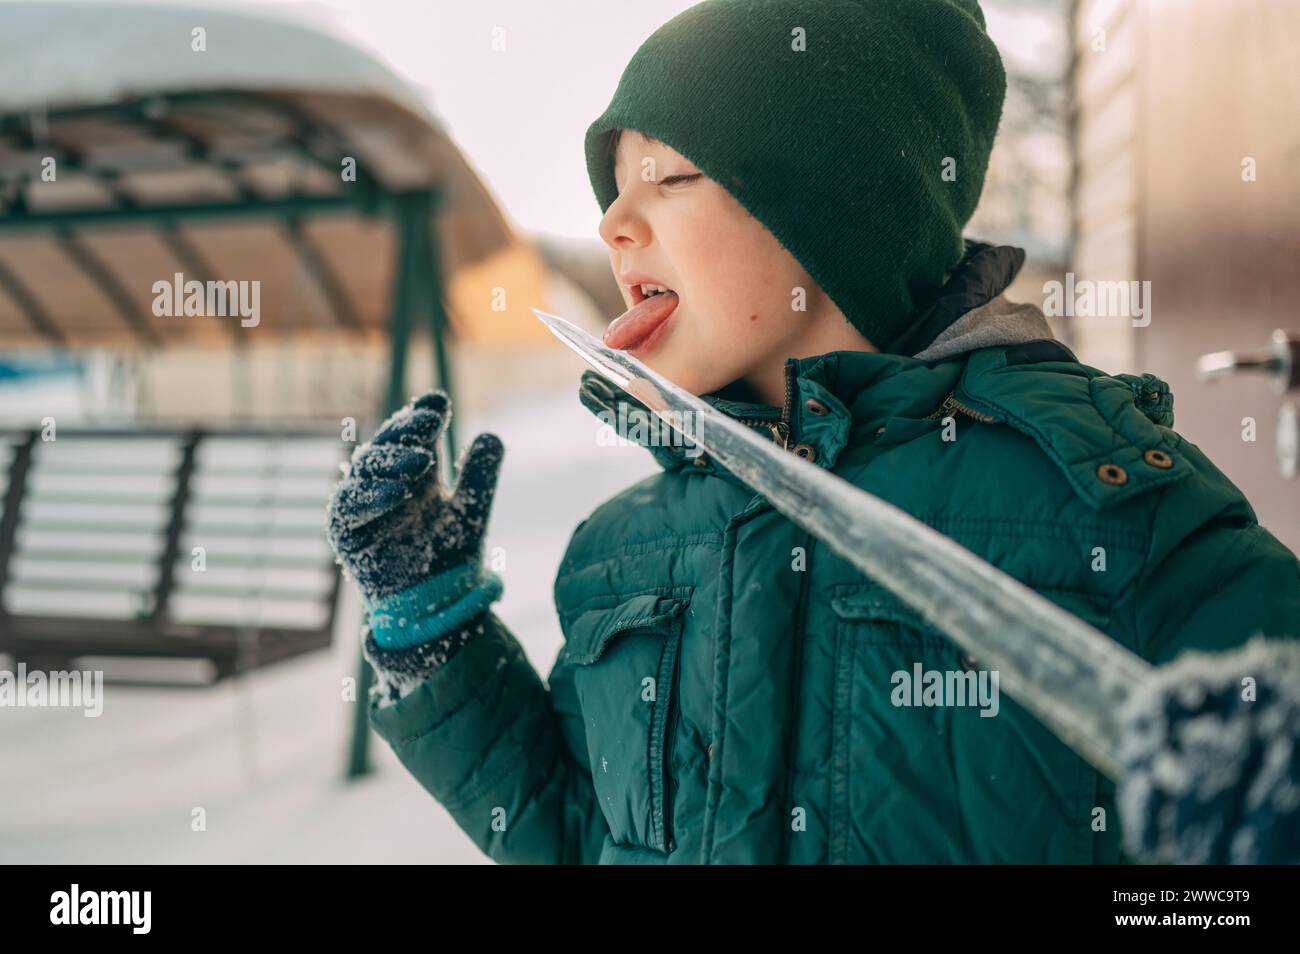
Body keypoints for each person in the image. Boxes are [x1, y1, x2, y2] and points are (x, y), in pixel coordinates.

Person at [325, 0, 1300, 863]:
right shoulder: (622, 550)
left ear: (832, 213)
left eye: (669, 177)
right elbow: (580, 837)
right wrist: (435, 634)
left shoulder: (1112, 511)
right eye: (614, 188)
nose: (614, 221)